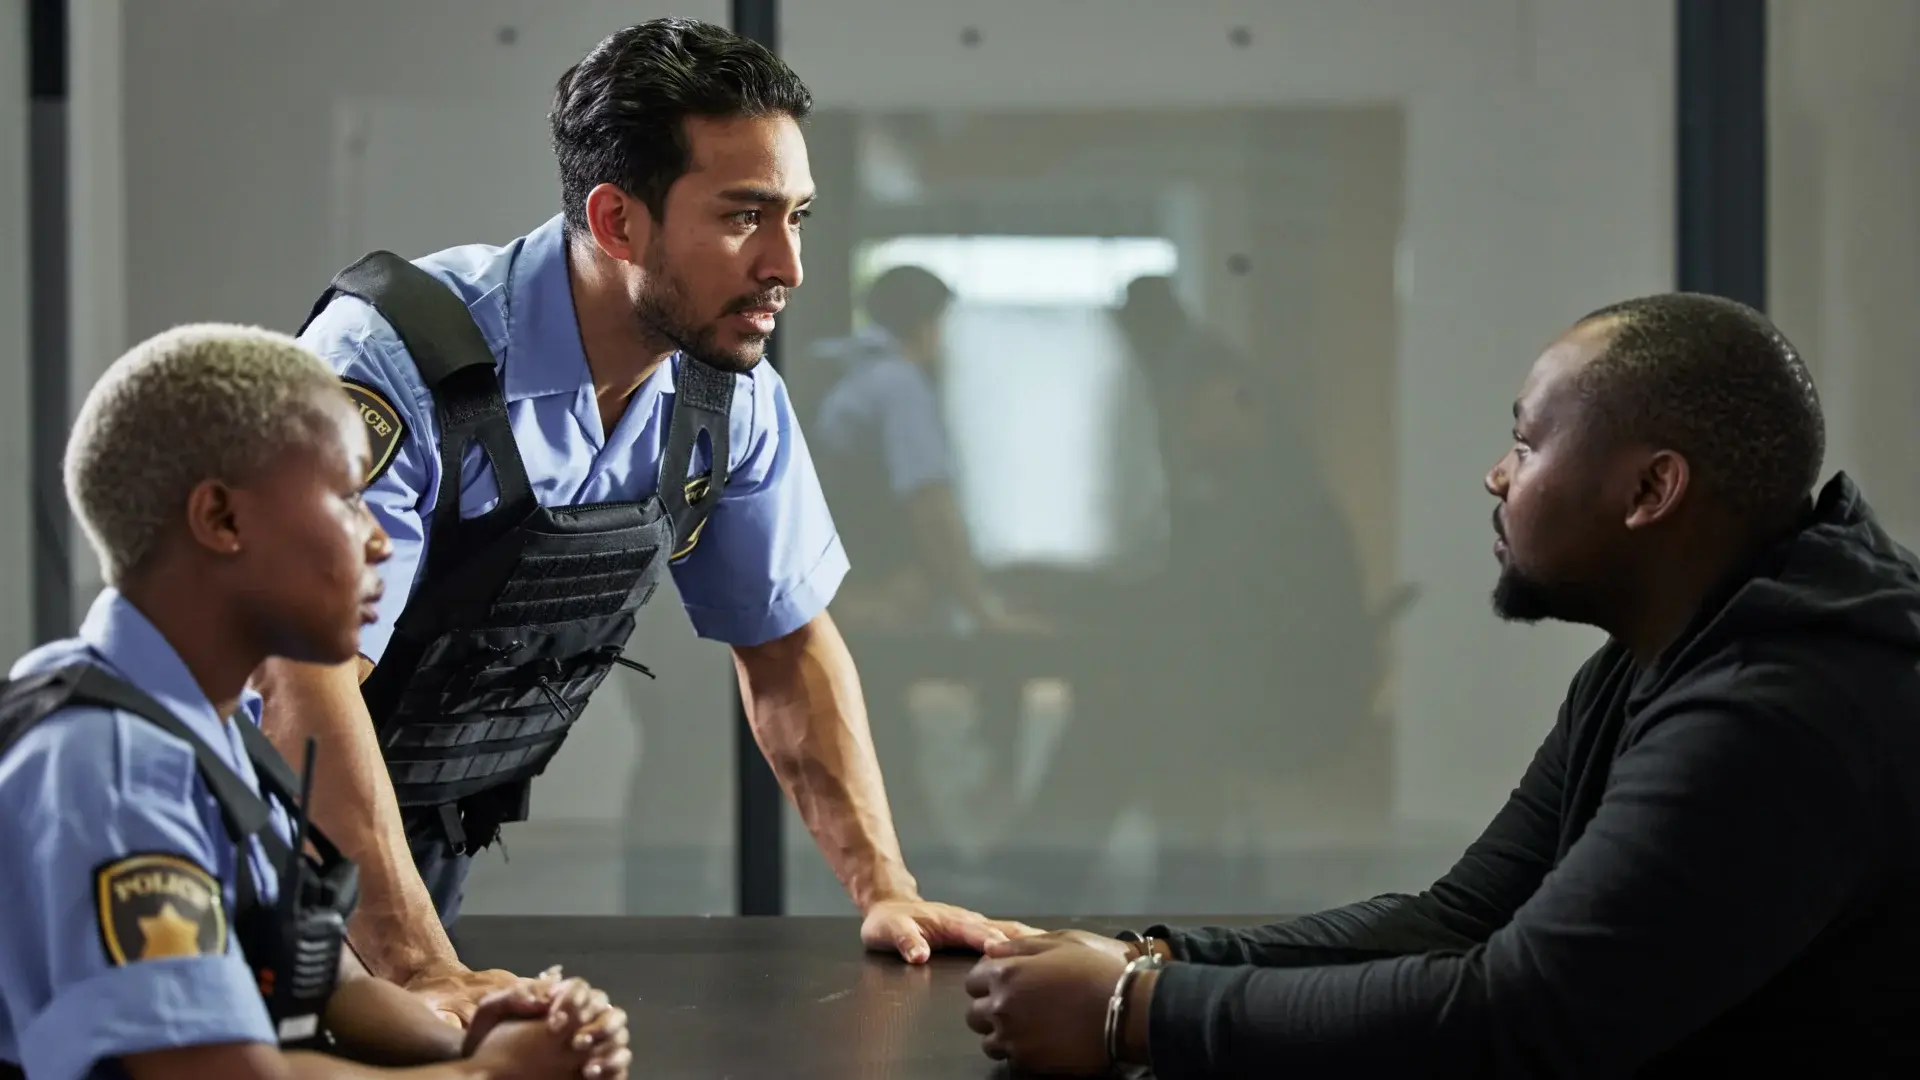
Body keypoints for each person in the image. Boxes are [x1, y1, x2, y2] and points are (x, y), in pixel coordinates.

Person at [270, 17, 1033, 1021]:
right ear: (618, 222)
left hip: (409, 840)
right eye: (744, 217)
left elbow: (787, 642)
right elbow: (300, 686)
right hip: (231, 833)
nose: (787, 265)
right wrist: (418, 968)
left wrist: (885, 884)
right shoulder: (392, 362)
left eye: (798, 216)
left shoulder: (725, 392)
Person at [962, 292, 1920, 1075]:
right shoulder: (1647, 662)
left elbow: (1520, 1015)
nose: (1496, 476)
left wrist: (1139, 1012)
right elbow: (1461, 918)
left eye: (1528, 443)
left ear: (1648, 492)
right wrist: (1158, 960)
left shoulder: (1779, 710)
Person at [0, 324, 631, 1080]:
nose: (378, 543)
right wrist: (489, 1076)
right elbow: (218, 1074)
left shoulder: (209, 731)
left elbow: (329, 989)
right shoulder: (115, 768)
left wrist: (477, 1034)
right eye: (347, 499)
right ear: (222, 520)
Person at [809, 264, 1040, 634]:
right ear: (927, 325)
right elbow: (930, 505)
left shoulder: (839, 368)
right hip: (865, 594)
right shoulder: (898, 384)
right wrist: (982, 610)